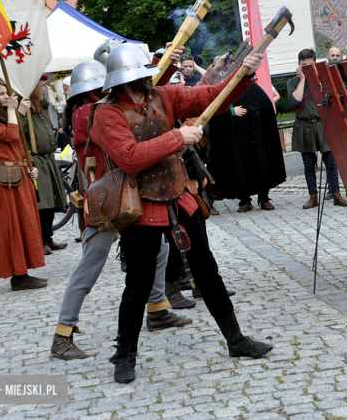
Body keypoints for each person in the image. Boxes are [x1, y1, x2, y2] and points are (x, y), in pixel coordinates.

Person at [89, 43, 272, 383]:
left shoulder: (162, 95)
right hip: (140, 203)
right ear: (121, 81)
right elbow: (128, 156)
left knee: (206, 268)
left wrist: (243, 73)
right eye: (138, 76)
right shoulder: (106, 113)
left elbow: (213, 95)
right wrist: (178, 137)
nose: (145, 80)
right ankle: (124, 355)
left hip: (177, 192)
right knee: (139, 283)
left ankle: (236, 340)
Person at [51, 59, 192, 361]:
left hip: (127, 194)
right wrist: (154, 73)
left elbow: (142, 100)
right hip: (107, 201)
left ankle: (157, 309)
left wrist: (154, 71)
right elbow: (132, 106)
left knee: (161, 249)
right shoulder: (86, 113)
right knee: (90, 267)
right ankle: (63, 333)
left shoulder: (103, 106)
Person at [0, 82, 46, 290]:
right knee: (13, 223)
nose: (7, 97)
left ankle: (23, 271)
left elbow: (19, 144)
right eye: (2, 94)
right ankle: (18, 275)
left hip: (19, 173)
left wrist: (30, 164)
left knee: (26, 222)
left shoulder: (4, 116)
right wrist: (16, 111)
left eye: (7, 93)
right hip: (7, 177)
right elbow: (11, 136)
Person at [208, 83, 286, 212]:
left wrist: (256, 111)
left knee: (261, 163)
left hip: (257, 135)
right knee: (241, 166)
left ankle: (264, 198)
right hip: (236, 137)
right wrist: (230, 112)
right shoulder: (226, 90)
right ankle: (244, 200)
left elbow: (266, 107)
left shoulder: (255, 88)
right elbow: (215, 111)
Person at [287, 49, 347, 209]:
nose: (307, 67)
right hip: (304, 126)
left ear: (315, 64)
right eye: (304, 65)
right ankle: (313, 197)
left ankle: (336, 194)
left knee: (331, 162)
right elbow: (296, 101)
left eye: (310, 65)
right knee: (309, 164)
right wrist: (302, 80)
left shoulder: (323, 80)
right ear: (299, 65)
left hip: (323, 124)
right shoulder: (293, 82)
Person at [19, 75, 68, 255]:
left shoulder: (42, 108)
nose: (44, 88)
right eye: (41, 85)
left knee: (51, 202)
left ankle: (48, 238)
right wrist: (21, 113)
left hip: (47, 159)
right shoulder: (26, 110)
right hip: (36, 159)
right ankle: (41, 241)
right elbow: (19, 132)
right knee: (43, 203)